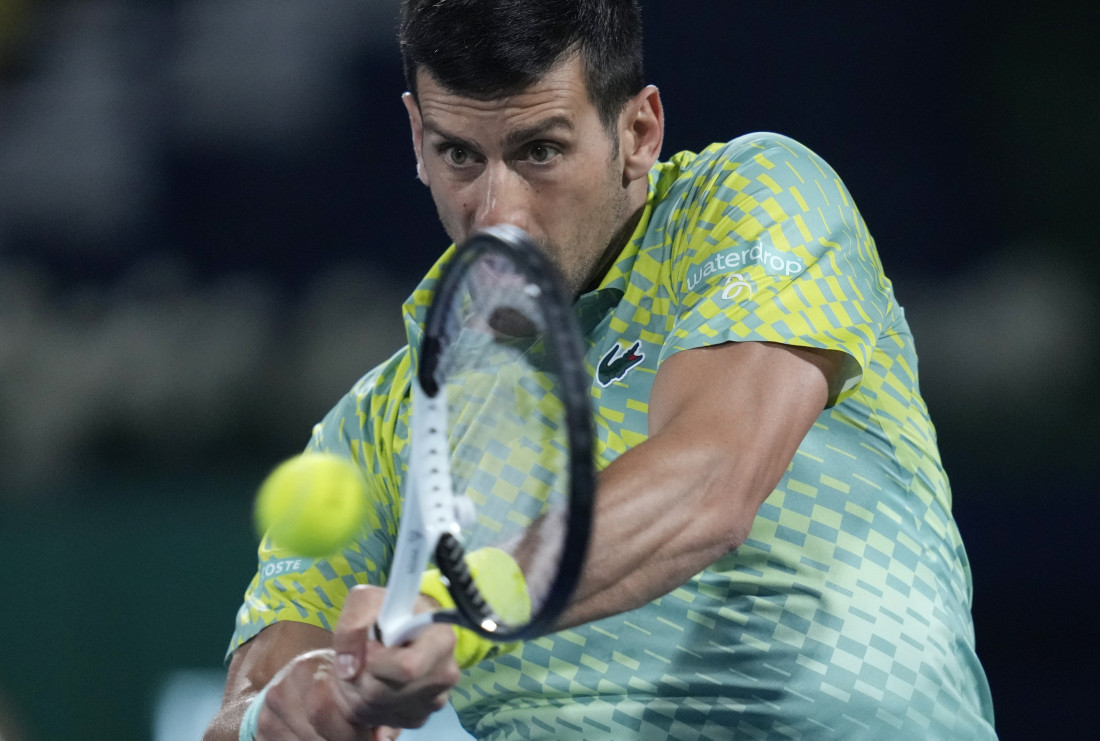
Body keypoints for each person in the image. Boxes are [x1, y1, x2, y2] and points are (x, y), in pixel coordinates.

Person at [204, 1, 997, 739]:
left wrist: (463, 608)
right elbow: (246, 704)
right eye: (459, 155)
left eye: (540, 151)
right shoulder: (373, 428)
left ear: (639, 131)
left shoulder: (754, 197)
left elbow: (713, 480)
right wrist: (292, 707)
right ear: (417, 137)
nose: (499, 213)